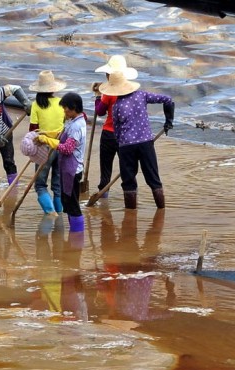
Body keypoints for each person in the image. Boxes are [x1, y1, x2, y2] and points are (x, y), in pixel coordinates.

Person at [98, 71, 174, 210]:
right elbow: (168, 100)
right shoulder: (142, 95)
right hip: (146, 143)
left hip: (126, 146)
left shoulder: (117, 107)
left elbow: (118, 130)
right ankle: (161, 211)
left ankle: (130, 215)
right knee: (154, 179)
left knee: (128, 183)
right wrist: (169, 121)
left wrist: (122, 145)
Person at [37, 92, 88, 235]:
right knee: (69, 203)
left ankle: (77, 235)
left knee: (73, 205)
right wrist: (47, 134)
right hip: (67, 168)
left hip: (72, 170)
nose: (64, 111)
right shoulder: (72, 120)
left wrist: (47, 141)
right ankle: (74, 234)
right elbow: (62, 134)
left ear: (74, 108)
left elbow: (67, 148)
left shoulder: (77, 126)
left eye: (66, 109)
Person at [92, 55, 138, 197]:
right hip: (126, 135)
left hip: (109, 134)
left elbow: (100, 111)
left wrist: (98, 96)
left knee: (106, 171)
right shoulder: (132, 91)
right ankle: (131, 196)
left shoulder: (110, 93)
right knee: (128, 169)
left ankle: (103, 196)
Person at [27, 70, 67, 215]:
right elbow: (64, 123)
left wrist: (31, 150)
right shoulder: (62, 103)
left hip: (43, 147)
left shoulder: (36, 105)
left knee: (40, 184)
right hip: (59, 145)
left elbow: (33, 130)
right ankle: (60, 212)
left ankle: (51, 213)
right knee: (57, 184)